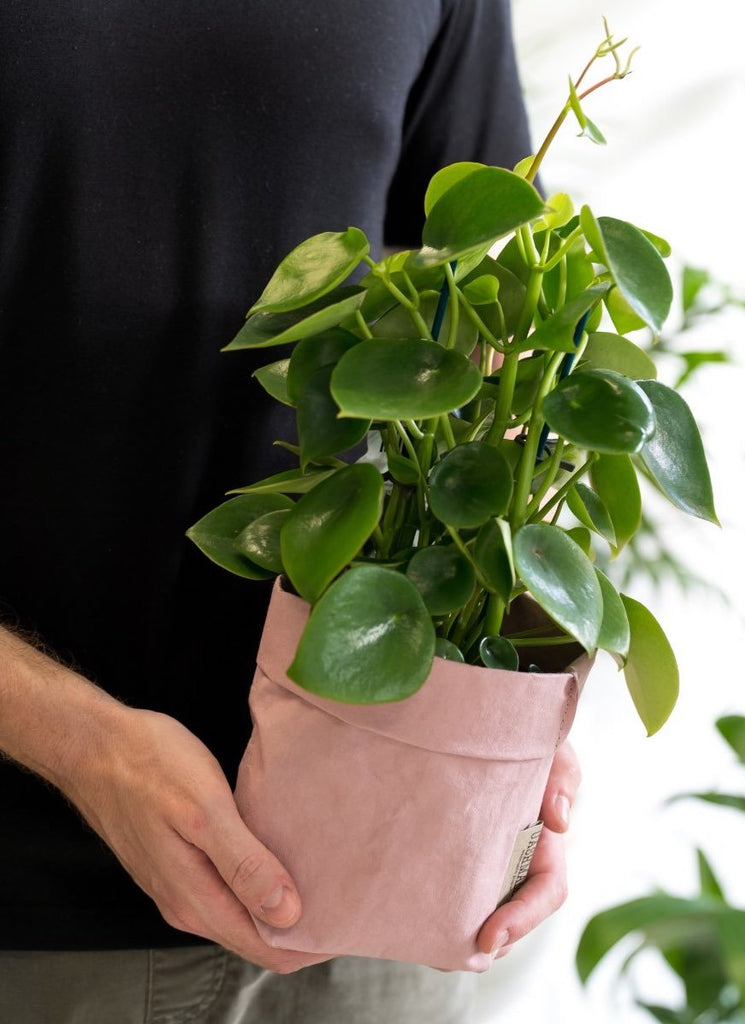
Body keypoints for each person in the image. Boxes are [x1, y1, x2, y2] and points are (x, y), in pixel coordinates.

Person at [0, 1, 581, 1020]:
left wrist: (504, 711)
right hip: (40, 923)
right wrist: (83, 746)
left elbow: (490, 319)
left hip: (395, 900)